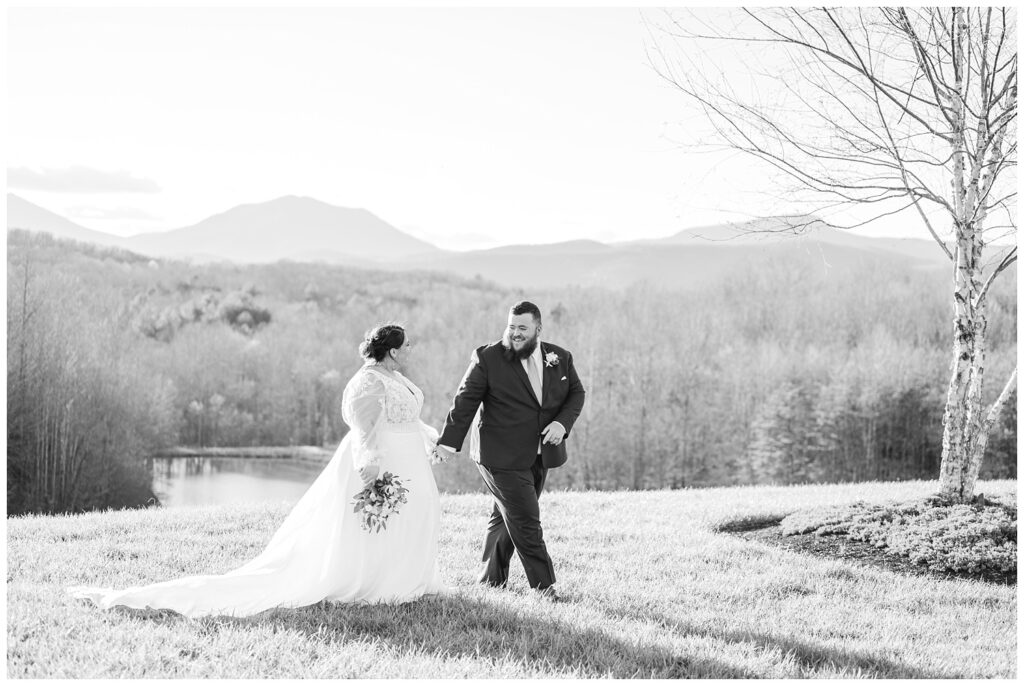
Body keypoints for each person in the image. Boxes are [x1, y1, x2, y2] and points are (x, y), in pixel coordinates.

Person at [67, 324, 444, 618]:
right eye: (407, 345)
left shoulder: (395, 377)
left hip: (408, 461)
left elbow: (407, 418)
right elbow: (367, 431)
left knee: (407, 523)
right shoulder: (368, 382)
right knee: (372, 526)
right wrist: (371, 469)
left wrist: (430, 439)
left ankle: (403, 578)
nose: (411, 350)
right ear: (392, 351)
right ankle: (374, 582)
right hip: (380, 465)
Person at [434, 301, 585, 601]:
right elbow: (465, 401)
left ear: (538, 330)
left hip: (541, 453)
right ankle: (543, 588)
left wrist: (561, 423)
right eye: (511, 326)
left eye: (522, 328)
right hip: (498, 455)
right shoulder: (487, 357)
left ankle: (490, 580)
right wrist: (448, 442)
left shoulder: (560, 358)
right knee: (527, 518)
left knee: (506, 516)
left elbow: (576, 393)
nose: (514, 333)